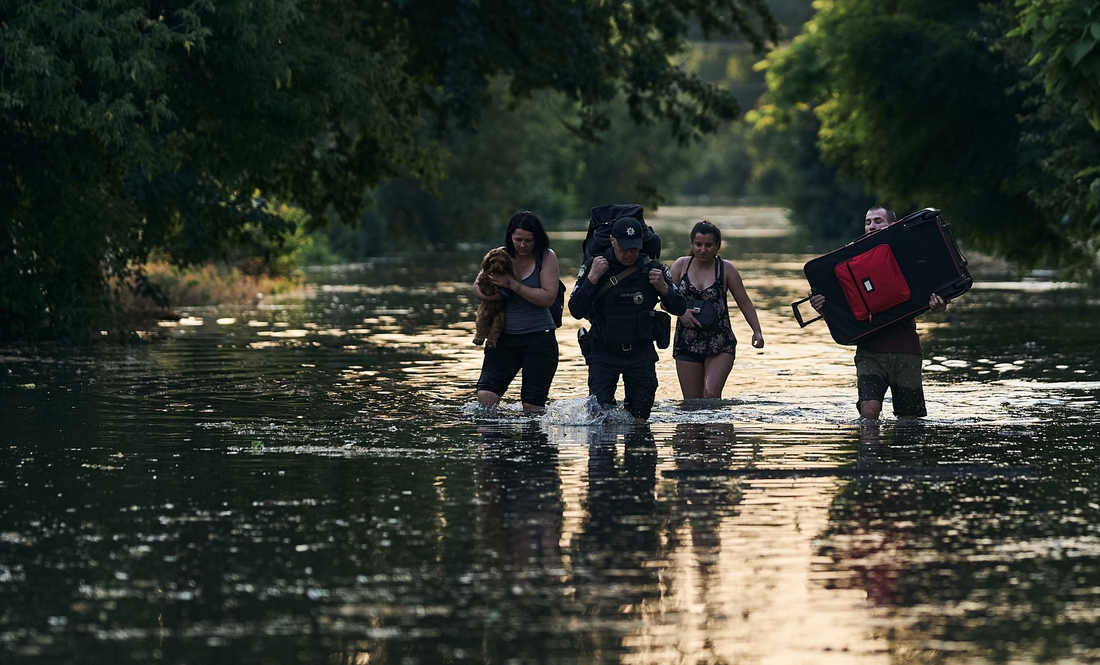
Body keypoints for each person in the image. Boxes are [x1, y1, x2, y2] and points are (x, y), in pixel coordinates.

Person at [810, 205, 948, 419]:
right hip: (869, 350)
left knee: (909, 420)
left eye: (878, 221)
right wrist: (821, 305)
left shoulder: (910, 253)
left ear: (892, 225)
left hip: (906, 349)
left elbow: (932, 292)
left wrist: (939, 306)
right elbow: (838, 305)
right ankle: (869, 450)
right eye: (868, 222)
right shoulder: (851, 258)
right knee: (869, 412)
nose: (872, 226)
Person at [568, 216, 687, 423]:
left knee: (640, 421)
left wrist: (664, 289)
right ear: (613, 240)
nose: (630, 253)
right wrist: (592, 279)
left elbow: (680, 307)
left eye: (634, 248)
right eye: (624, 248)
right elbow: (576, 310)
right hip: (603, 353)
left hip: (640, 354)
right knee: (600, 419)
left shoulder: (653, 268)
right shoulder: (595, 266)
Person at [473, 211, 560, 412]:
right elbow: (477, 287)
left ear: (537, 238)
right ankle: (494, 442)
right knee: (485, 398)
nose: (522, 245)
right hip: (503, 339)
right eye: (518, 239)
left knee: (531, 407)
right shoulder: (499, 255)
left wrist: (511, 285)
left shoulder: (547, 257)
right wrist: (497, 295)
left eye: (528, 240)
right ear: (510, 236)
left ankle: (535, 442)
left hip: (539, 339)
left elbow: (547, 298)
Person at [668, 221, 764, 399]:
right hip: (687, 342)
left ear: (717, 246)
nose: (703, 249)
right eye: (698, 244)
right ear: (692, 244)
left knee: (711, 394)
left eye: (708, 245)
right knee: (692, 404)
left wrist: (757, 330)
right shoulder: (681, 266)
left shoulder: (726, 269)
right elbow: (665, 301)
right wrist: (681, 312)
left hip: (720, 342)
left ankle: (717, 427)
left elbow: (745, 303)